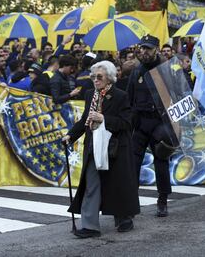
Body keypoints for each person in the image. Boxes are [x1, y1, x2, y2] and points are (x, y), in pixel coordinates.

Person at [62, 60, 140, 238]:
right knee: (91, 184)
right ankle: (90, 226)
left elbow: (127, 123)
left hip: (115, 147)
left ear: (110, 78)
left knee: (117, 184)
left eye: (99, 77)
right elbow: (84, 120)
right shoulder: (90, 94)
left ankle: (123, 217)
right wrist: (70, 135)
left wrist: (103, 118)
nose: (95, 80)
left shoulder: (121, 95)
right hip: (93, 146)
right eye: (93, 77)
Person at [126, 35, 178, 217]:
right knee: (132, 164)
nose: (144, 52)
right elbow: (129, 98)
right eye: (142, 48)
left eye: (148, 48)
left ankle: (162, 200)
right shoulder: (136, 71)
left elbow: (178, 95)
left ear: (156, 49)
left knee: (161, 163)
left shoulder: (167, 70)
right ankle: (129, 203)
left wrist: (174, 127)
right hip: (140, 123)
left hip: (160, 123)